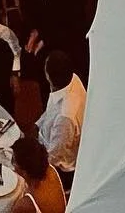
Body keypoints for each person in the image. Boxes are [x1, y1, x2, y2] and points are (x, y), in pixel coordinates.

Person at [0, 136, 65, 213]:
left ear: (24, 172)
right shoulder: (50, 169)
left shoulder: (26, 205)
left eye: (14, 160)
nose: (12, 163)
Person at [36, 50, 85, 180]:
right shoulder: (73, 79)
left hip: (61, 168)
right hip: (48, 140)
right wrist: (38, 124)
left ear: (48, 77)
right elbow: (51, 111)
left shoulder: (65, 118)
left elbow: (55, 155)